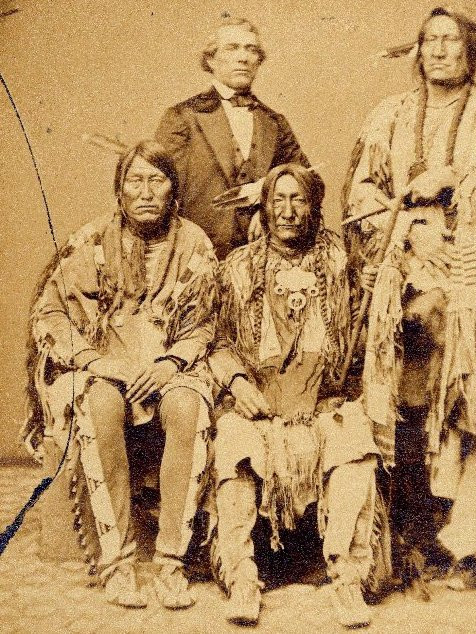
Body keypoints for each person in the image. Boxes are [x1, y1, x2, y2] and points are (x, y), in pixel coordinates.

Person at [343, 6, 476, 589]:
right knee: (405, 394)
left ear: (470, 50)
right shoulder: (390, 115)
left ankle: (475, 544)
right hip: (409, 278)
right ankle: (412, 533)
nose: (439, 50)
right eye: (429, 40)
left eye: (451, 40)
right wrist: (409, 230)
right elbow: (362, 193)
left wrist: (457, 179)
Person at [23, 141, 219, 608]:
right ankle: (118, 562)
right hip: (103, 367)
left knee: (187, 406)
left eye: (157, 180)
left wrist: (170, 363)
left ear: (173, 190)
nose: (146, 192)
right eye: (135, 180)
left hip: (170, 366)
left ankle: (171, 561)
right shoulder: (90, 241)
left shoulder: (194, 242)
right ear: (119, 190)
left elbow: (205, 323)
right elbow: (49, 313)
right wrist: (97, 361)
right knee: (99, 403)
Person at [208, 164, 390, 627]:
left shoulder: (340, 265)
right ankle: (242, 578)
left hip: (323, 403)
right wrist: (238, 383)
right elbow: (218, 342)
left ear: (313, 207)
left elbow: (363, 340)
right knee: (233, 444)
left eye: (299, 200)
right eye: (279, 200)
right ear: (265, 208)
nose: (288, 211)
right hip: (260, 404)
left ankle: (348, 579)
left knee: (353, 441)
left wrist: (372, 292)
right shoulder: (239, 268)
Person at [156, 17, 312, 260]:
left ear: (258, 61)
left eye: (251, 49)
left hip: (264, 258)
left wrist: (268, 207)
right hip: (198, 257)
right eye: (232, 48)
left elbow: (309, 180)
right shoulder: (182, 117)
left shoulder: (275, 122)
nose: (243, 57)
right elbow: (160, 191)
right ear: (211, 59)